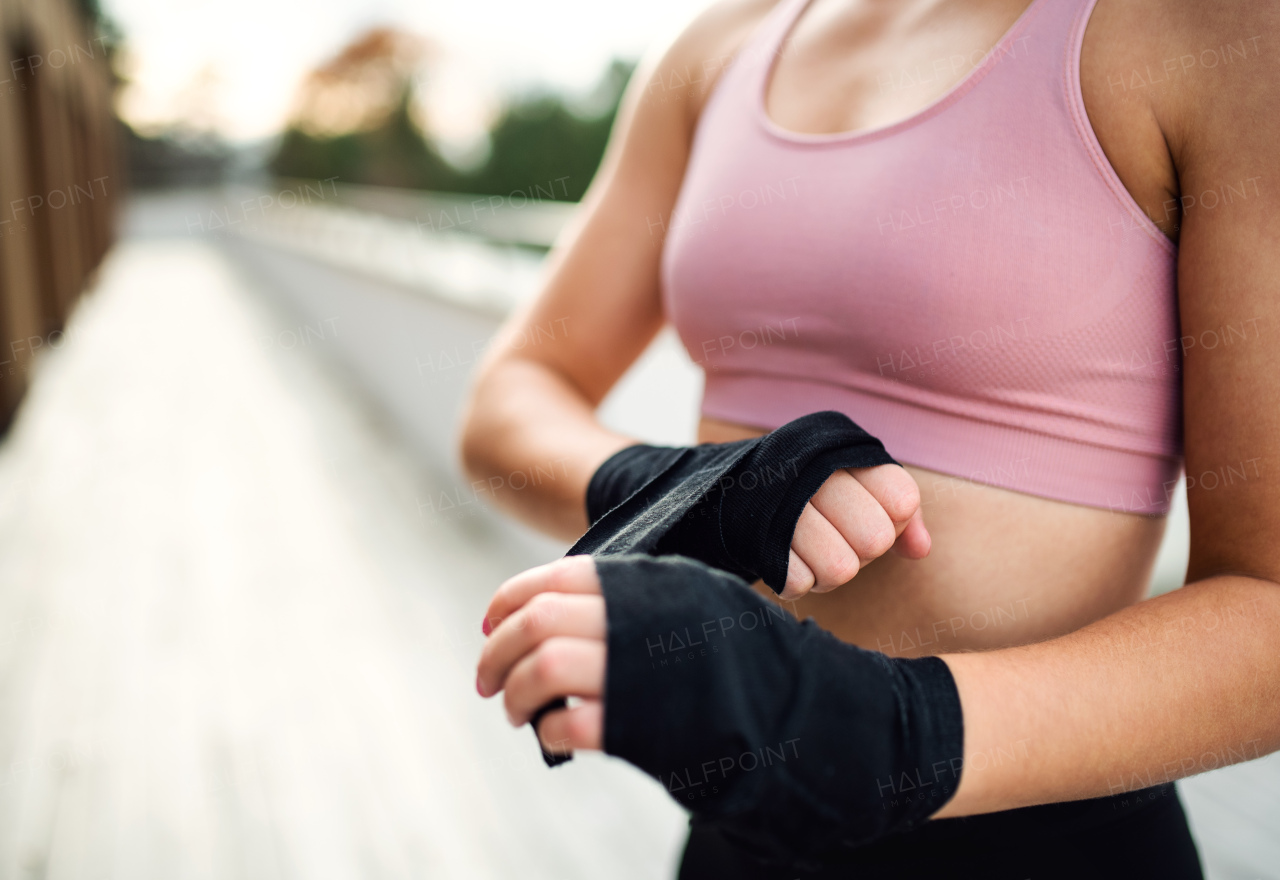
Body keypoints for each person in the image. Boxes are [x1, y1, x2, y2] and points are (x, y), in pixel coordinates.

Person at [462, 0, 1279, 875]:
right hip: (748, 828)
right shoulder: (720, 45)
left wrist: (880, 726)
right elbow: (511, 395)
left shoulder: (1217, 31)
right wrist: (701, 493)